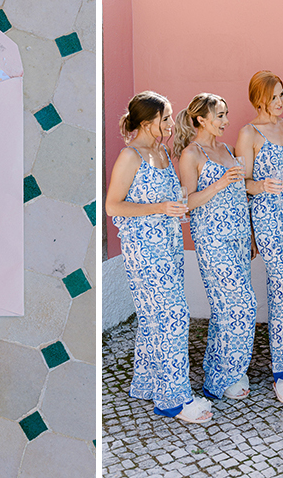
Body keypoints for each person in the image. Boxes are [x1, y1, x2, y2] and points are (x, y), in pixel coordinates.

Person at [105, 91, 212, 424]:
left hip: (170, 247)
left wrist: (176, 205)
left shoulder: (163, 152)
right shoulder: (130, 157)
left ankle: (149, 381)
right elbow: (113, 206)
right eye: (165, 118)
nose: (170, 122)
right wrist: (160, 208)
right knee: (174, 317)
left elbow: (168, 198)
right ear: (149, 122)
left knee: (155, 318)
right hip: (145, 251)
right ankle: (174, 399)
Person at [176, 93, 256, 401]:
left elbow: (240, 196)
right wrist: (219, 183)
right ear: (201, 119)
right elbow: (186, 203)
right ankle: (229, 373)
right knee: (242, 305)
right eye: (219, 115)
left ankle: (219, 375)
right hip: (212, 240)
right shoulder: (191, 155)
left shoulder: (226, 149)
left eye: (226, 114)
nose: (226, 121)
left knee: (227, 309)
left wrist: (249, 234)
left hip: (238, 238)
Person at [235, 71, 283, 404]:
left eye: (282, 95)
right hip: (269, 221)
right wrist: (261, 186)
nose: (280, 102)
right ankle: (282, 375)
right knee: (282, 288)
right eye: (274, 97)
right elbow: (241, 183)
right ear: (259, 98)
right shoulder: (248, 134)